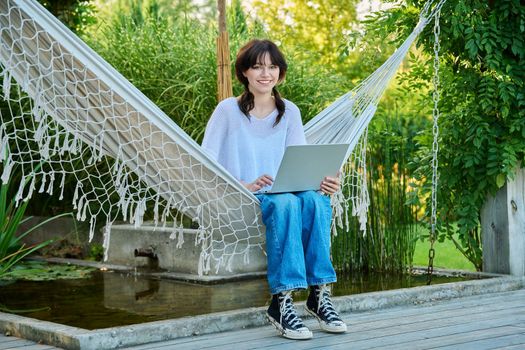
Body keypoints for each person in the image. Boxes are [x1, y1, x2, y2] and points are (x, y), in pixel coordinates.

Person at [202, 39, 347, 340]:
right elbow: (206, 165)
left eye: (272, 67)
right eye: (257, 67)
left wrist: (325, 180)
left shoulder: (289, 111)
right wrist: (244, 183)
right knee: (286, 205)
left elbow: (300, 159)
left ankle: (318, 294)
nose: (264, 73)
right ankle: (281, 301)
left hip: (286, 190)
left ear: (280, 74)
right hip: (243, 195)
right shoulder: (228, 110)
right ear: (244, 72)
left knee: (316, 201)